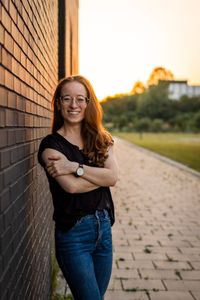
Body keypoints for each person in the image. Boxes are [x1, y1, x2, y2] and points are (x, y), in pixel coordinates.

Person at [38, 75, 119, 300]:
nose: (74, 105)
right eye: (67, 99)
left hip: (103, 230)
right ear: (58, 103)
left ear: (88, 103)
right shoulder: (50, 146)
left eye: (80, 99)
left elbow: (112, 177)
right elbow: (71, 187)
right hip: (74, 235)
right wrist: (98, 176)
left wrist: (74, 166)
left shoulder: (102, 139)